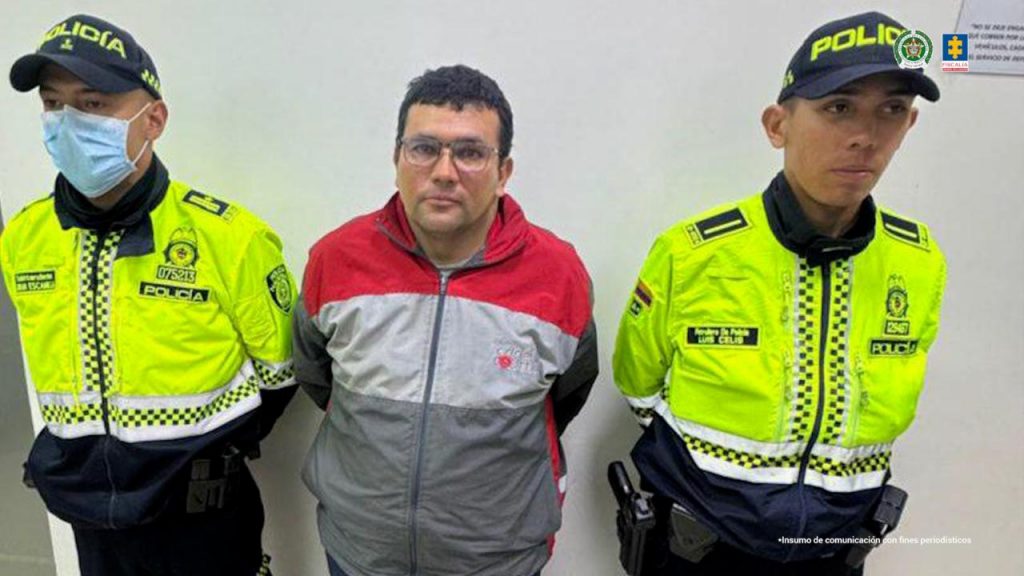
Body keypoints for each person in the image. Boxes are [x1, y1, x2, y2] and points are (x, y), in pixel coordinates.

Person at [612, 11, 946, 575]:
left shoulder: (919, 260)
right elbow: (637, 384)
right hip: (700, 548)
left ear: (909, 124)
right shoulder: (693, 253)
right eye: (838, 108)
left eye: (891, 110)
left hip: (834, 551)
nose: (865, 136)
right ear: (777, 125)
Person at [1, 14, 297, 576]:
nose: (68, 123)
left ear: (153, 119)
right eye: (53, 104)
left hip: (203, 526)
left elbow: (281, 378)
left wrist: (192, 458)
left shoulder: (230, 239)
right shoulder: (24, 238)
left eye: (93, 104)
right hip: (88, 523)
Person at [293, 64, 598, 576]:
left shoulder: (558, 273)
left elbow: (565, 395)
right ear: (397, 158)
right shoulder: (336, 258)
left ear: (503, 172)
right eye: (424, 148)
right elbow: (316, 374)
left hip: (496, 561)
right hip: (360, 553)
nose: (443, 172)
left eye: (471, 152)